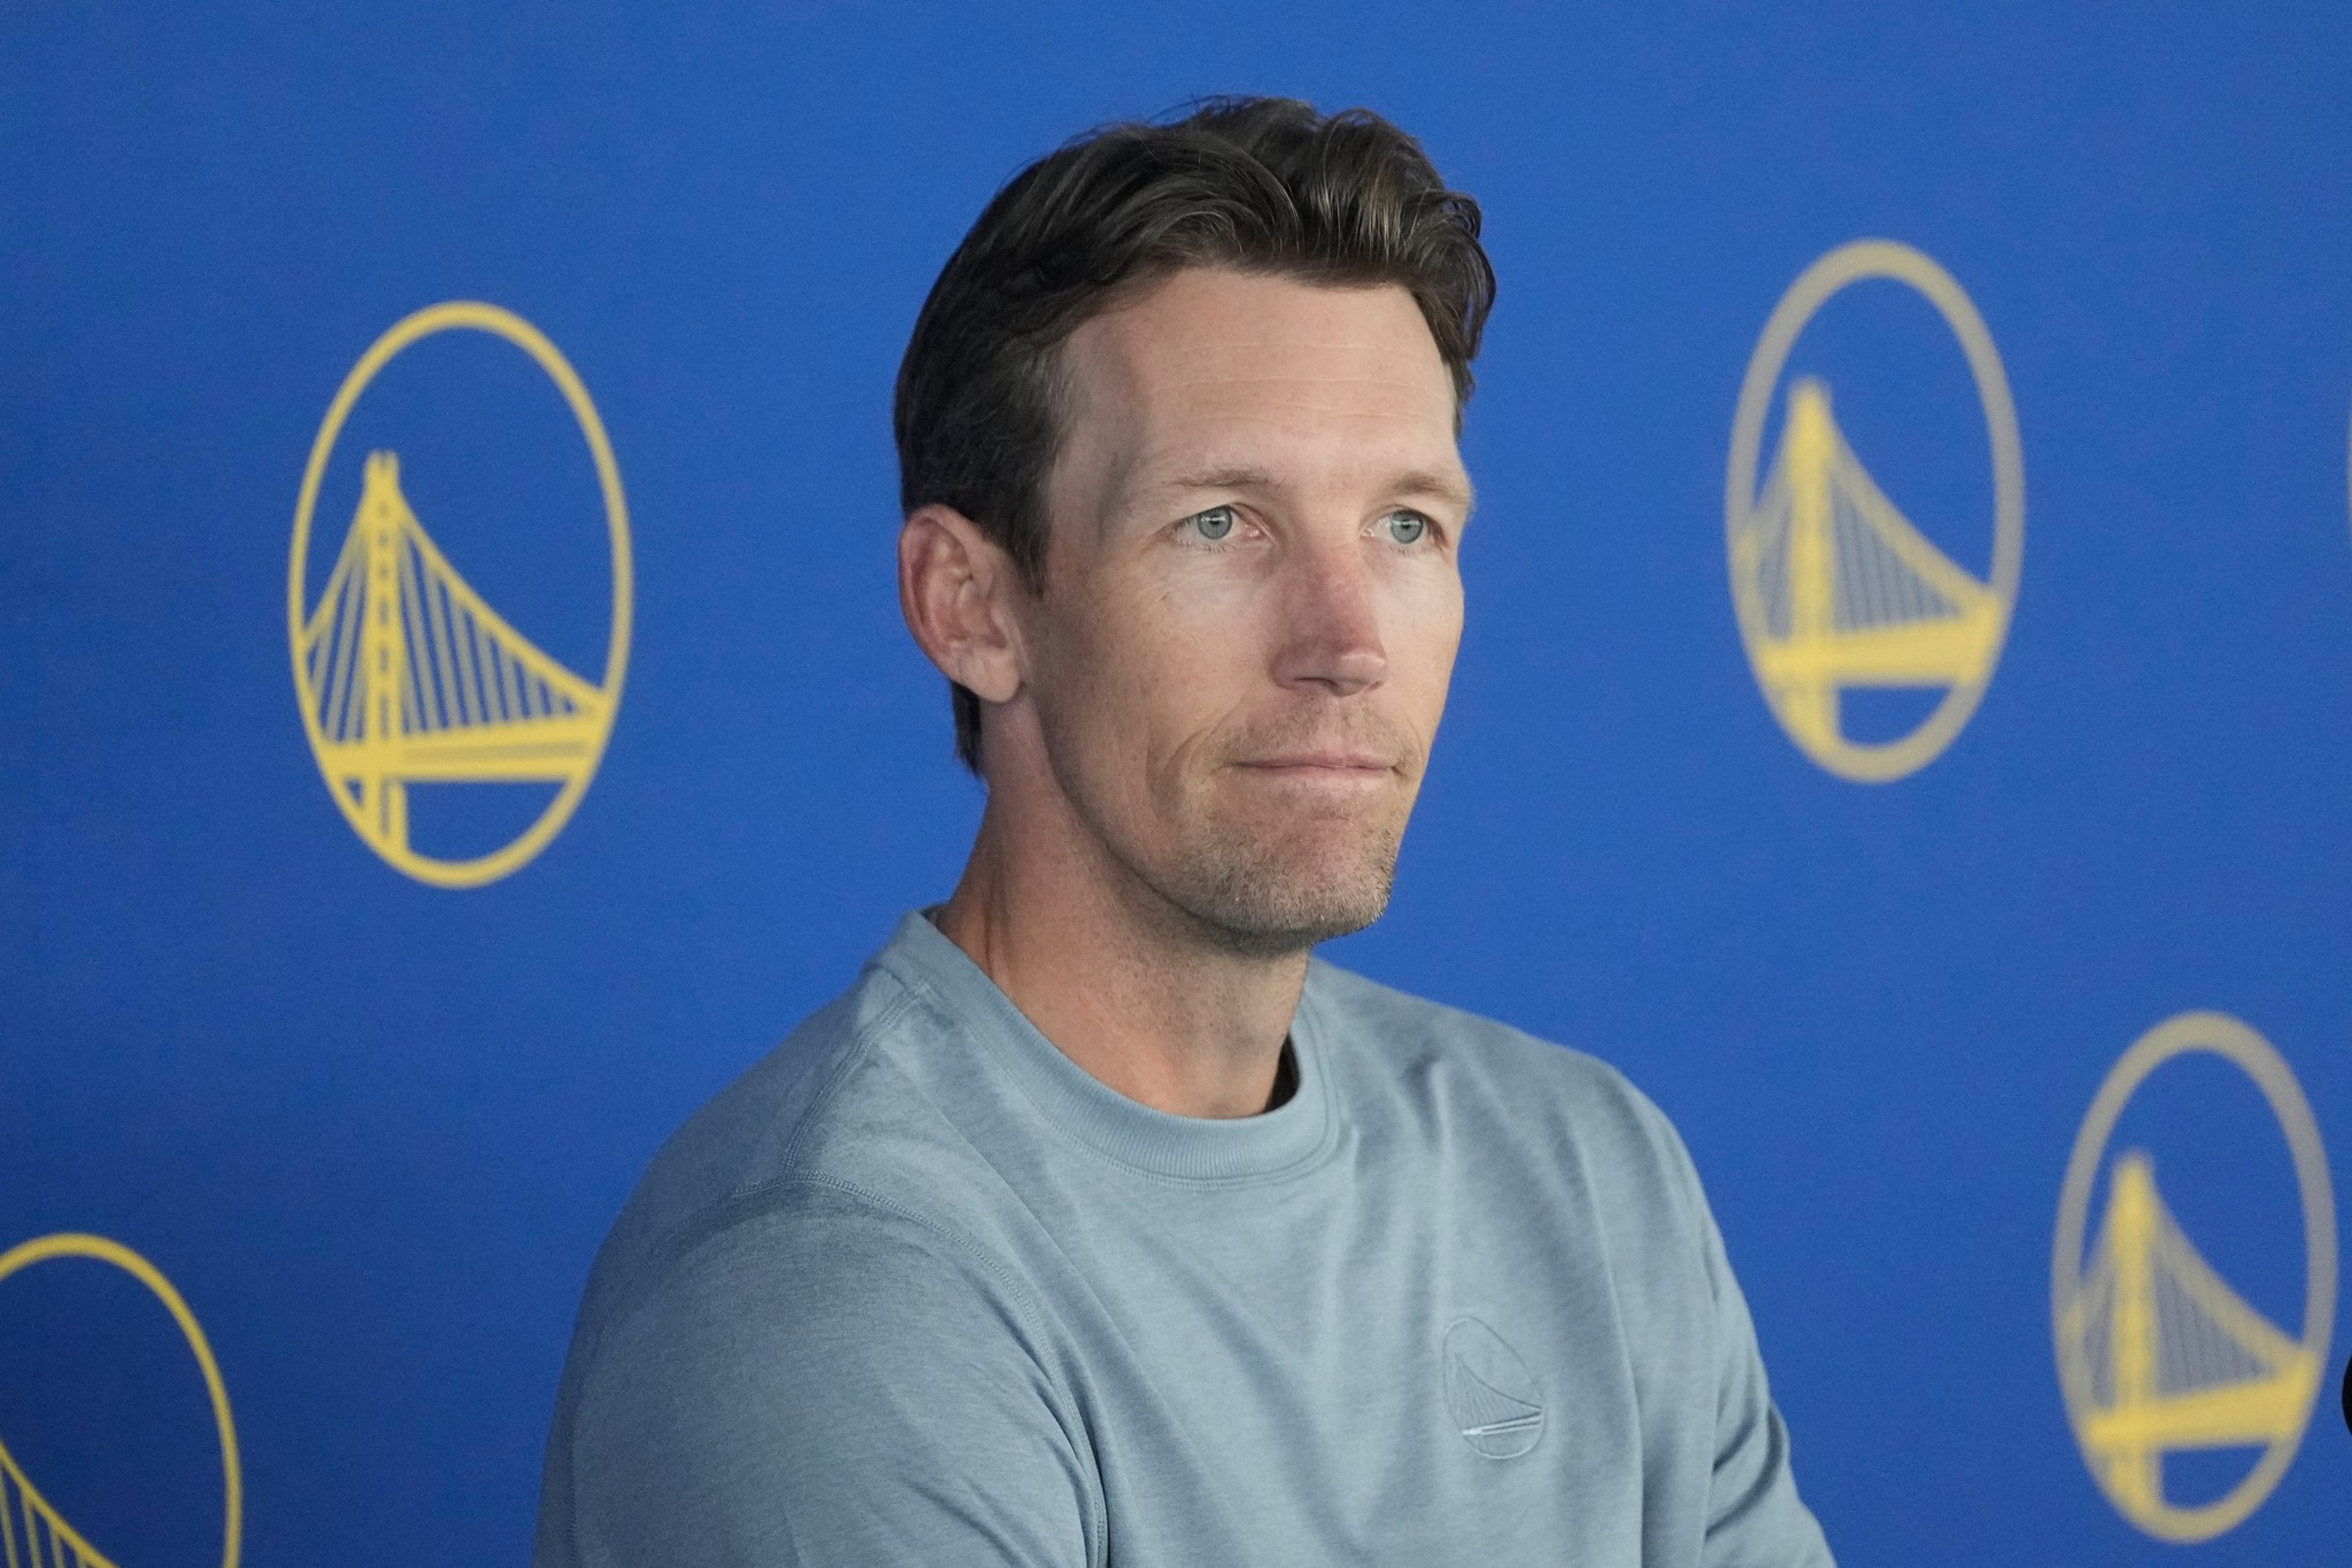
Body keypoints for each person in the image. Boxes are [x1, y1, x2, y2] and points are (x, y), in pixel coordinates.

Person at [535, 96, 1833, 1567]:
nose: (1345, 641)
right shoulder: (832, 1287)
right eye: (1220, 523)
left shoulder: (1588, 1174)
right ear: (971, 606)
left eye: (1404, 525)